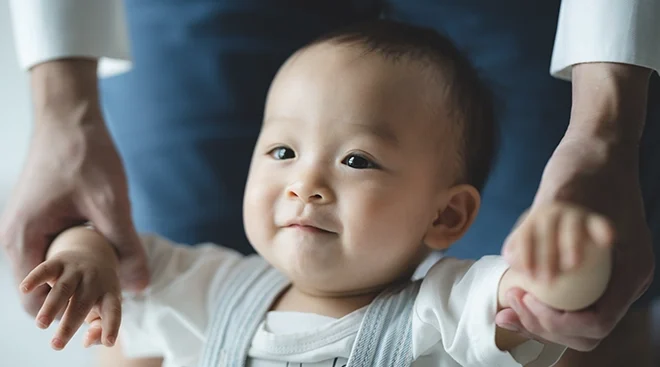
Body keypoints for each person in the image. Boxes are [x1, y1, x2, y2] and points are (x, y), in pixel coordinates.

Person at [2, 1, 658, 366]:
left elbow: (547, 298)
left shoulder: (448, 309)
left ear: (449, 216)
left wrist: (564, 246)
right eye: (283, 149)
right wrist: (82, 251)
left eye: (357, 160)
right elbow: (123, 272)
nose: (306, 181)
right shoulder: (211, 285)